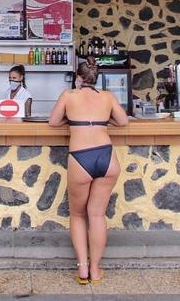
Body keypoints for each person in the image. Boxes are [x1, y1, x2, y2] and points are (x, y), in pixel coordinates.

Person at [48, 58, 129, 284]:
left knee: (78, 215)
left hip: (81, 158)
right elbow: (123, 122)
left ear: (78, 77)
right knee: (97, 215)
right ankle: (95, 270)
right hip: (107, 156)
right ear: (95, 78)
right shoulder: (107, 96)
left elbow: (53, 122)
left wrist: (73, 119)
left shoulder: (69, 95)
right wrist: (101, 121)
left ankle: (82, 269)